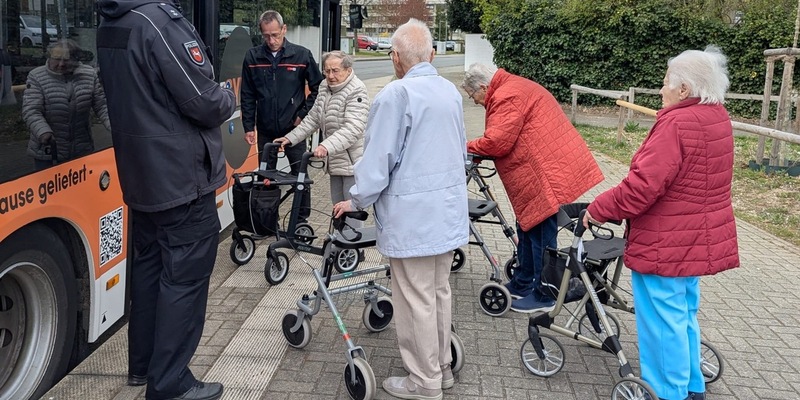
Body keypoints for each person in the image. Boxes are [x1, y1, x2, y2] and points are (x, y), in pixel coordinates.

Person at [96, 1, 236, 399]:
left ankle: (143, 368)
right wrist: (227, 94)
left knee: (148, 274)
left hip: (142, 180)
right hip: (180, 181)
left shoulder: (113, 22)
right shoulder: (159, 22)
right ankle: (170, 383)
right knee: (184, 280)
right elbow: (205, 103)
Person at [582, 46, 739, 400]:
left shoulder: (675, 123)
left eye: (666, 82)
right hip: (697, 237)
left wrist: (598, 209)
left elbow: (642, 187)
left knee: (660, 323)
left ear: (684, 90)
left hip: (666, 240)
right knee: (682, 313)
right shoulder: (717, 116)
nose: (661, 89)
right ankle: (691, 385)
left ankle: (669, 392)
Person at [332, 18, 468, 400]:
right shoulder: (449, 91)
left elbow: (377, 164)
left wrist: (355, 199)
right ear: (432, 54)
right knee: (439, 292)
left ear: (394, 57)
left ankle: (423, 382)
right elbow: (459, 151)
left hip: (414, 219)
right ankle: (440, 370)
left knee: (415, 300)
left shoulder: (396, 95)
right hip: (445, 212)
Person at [462, 63, 604, 313]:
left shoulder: (508, 94)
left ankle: (545, 293)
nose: (474, 102)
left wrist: (464, 145)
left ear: (484, 87)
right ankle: (524, 281)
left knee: (540, 232)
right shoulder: (511, 87)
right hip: (541, 168)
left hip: (542, 173)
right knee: (527, 226)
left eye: (473, 96)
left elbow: (497, 142)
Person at [241, 10, 323, 222]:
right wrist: (248, 126)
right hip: (266, 130)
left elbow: (318, 88)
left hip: (293, 131)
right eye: (266, 36)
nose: (271, 40)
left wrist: (302, 115)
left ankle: (300, 220)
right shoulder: (252, 57)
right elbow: (248, 94)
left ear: (284, 29)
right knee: (265, 178)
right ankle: (267, 220)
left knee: (300, 176)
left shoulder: (301, 55)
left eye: (275, 35)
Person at [274, 50, 368, 226]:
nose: (330, 76)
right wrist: (290, 138)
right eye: (327, 70)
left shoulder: (357, 90)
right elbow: (313, 118)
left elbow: (353, 128)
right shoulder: (325, 87)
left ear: (348, 70)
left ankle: (354, 250)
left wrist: (325, 146)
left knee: (352, 210)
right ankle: (340, 246)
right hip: (335, 160)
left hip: (352, 162)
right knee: (338, 208)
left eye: (335, 70)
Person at [22, 39, 110, 170]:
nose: (61, 64)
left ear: (76, 60)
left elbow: (101, 106)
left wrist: (115, 128)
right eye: (57, 59)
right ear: (50, 57)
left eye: (67, 59)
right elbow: (31, 110)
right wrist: (43, 131)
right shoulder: (36, 76)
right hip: (47, 151)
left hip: (81, 148)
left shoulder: (89, 75)